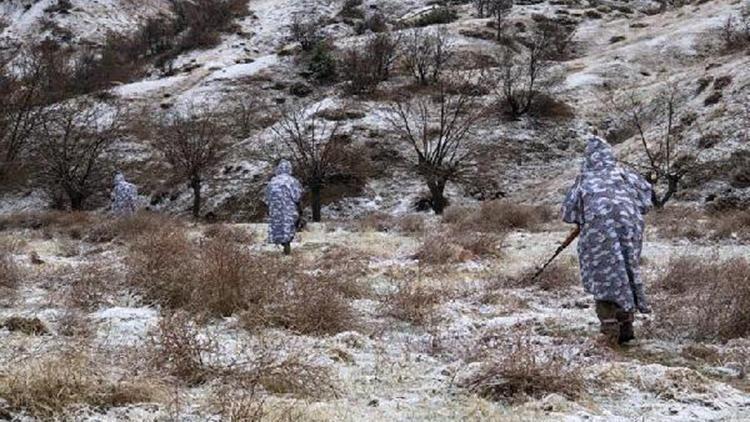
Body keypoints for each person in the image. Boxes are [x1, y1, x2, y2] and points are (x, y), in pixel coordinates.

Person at [561, 135, 653, 345]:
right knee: (626, 272)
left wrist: (590, 216)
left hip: (598, 237)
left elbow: (568, 213)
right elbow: (647, 200)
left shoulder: (585, 179)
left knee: (605, 278)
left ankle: (610, 331)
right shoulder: (626, 175)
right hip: (630, 230)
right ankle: (626, 326)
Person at [266, 160, 303, 255]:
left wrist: (270, 207)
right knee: (288, 227)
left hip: (275, 209)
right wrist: (299, 209)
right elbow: (297, 196)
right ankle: (287, 246)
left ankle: (282, 244)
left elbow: (267, 196)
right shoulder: (292, 181)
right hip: (288, 209)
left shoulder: (272, 181)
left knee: (278, 227)